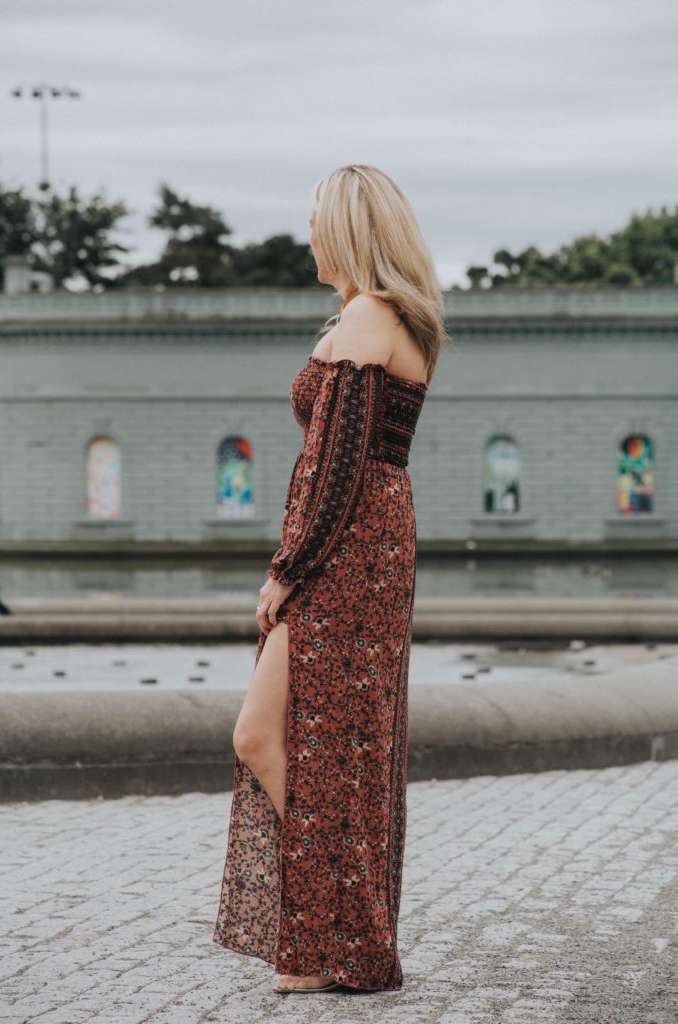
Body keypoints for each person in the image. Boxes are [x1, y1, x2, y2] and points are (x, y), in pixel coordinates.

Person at [212, 163, 448, 994]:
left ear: (348, 228)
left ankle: (347, 935)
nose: (308, 233)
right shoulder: (383, 317)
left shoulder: (368, 318)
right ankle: (331, 936)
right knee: (325, 744)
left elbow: (338, 467)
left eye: (316, 219)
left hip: (347, 552)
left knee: (278, 737)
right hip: (368, 545)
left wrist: (287, 571)